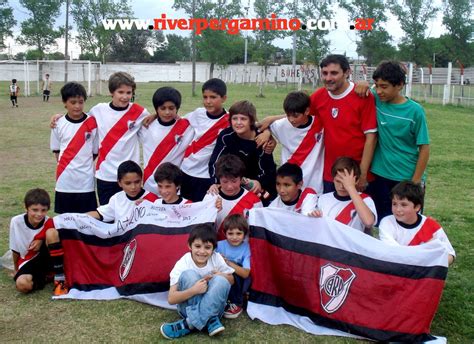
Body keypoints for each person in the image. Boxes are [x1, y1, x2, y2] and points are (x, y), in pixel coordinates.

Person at [52, 72, 150, 205]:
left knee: (131, 215)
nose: (125, 96)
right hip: (105, 175)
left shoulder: (140, 112)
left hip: (130, 176)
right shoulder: (98, 110)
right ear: (111, 92)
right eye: (120, 92)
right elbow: (78, 118)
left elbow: (156, 122)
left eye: (129, 92)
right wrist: (59, 117)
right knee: (107, 216)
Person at [356, 61, 430, 221]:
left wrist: (415, 182)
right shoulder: (374, 99)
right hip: (379, 175)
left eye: (384, 86)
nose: (379, 90)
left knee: (406, 222)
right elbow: (360, 89)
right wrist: (362, 83)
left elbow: (424, 147)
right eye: (376, 85)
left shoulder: (415, 111)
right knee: (380, 220)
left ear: (400, 85)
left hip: (405, 177)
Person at [309, 54, 377, 193]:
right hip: (331, 174)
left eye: (334, 73)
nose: (328, 78)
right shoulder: (318, 96)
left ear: (347, 72)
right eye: (325, 73)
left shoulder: (362, 96)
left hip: (356, 175)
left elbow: (372, 137)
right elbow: (298, 117)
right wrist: (270, 123)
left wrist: (362, 174)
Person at [160, 225, 234, 339]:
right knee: (189, 275)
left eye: (207, 247)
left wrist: (220, 275)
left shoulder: (216, 258)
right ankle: (209, 321)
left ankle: (189, 324)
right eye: (198, 246)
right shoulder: (183, 263)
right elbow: (171, 298)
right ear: (190, 246)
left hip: (215, 309)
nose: (202, 251)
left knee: (221, 280)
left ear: (213, 248)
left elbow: (231, 280)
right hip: (188, 308)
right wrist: (193, 290)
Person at [209, 100, 277, 204]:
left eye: (243, 119)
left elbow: (268, 169)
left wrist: (259, 182)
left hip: (253, 184)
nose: (238, 122)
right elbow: (214, 162)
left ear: (251, 121)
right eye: (235, 118)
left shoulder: (261, 139)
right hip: (231, 181)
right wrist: (214, 182)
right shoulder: (226, 136)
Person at [256, 91, 324, 194]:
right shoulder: (282, 125)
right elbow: (258, 126)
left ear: (306, 111)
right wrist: (267, 133)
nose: (291, 120)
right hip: (289, 186)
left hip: (314, 187)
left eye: (295, 116)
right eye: (288, 115)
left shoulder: (321, 124)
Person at [379, 181, 455, 265]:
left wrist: (432, 265)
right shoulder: (387, 223)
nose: (398, 209)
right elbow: (394, 251)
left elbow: (450, 254)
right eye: (394, 204)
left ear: (417, 207)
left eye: (404, 205)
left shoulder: (431, 226)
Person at [50, 82, 98, 214]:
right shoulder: (58, 123)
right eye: (73, 102)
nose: (77, 106)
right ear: (65, 103)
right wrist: (67, 165)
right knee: (65, 220)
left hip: (85, 181)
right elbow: (57, 151)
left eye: (81, 102)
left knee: (87, 220)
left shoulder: (92, 122)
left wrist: (83, 165)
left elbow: (94, 151)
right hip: (65, 180)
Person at [9, 188, 68, 295]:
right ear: (26, 208)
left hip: (45, 259)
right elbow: (15, 248)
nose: (39, 214)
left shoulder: (49, 221)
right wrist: (16, 269)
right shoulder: (16, 222)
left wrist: (41, 239)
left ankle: (59, 279)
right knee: (22, 285)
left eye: (43, 210)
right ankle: (45, 278)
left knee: (52, 232)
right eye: (35, 210)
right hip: (28, 261)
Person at [179, 78, 230, 202]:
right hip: (186, 169)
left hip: (206, 175)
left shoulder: (230, 120)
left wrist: (266, 132)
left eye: (213, 97)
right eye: (205, 97)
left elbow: (253, 125)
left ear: (223, 98)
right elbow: (177, 120)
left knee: (203, 211)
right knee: (185, 208)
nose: (208, 101)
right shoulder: (198, 113)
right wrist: (155, 115)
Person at [139, 87, 194, 194]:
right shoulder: (146, 126)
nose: (167, 112)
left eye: (171, 108)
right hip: (149, 185)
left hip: (174, 186)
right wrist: (154, 116)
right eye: (162, 108)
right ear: (156, 109)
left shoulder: (187, 127)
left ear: (177, 108)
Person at [206, 154, 262, 240]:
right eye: (225, 181)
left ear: (241, 178)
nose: (229, 186)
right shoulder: (211, 196)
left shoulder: (254, 201)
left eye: (234, 181)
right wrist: (213, 212)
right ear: (218, 179)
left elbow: (257, 233)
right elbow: (203, 229)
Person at [315, 157, 377, 235]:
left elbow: (368, 222)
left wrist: (350, 187)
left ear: (356, 181)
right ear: (333, 179)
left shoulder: (365, 199)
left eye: (346, 182)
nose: (342, 186)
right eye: (338, 181)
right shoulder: (323, 198)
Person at [87, 160, 157, 222]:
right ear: (119, 183)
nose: (133, 187)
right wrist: (77, 218)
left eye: (137, 182)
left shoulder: (152, 199)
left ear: (141, 180)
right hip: (123, 236)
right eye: (128, 183)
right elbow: (99, 214)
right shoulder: (117, 198)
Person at [216, 214, 251, 319]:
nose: (234, 237)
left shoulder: (247, 248)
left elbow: (246, 274)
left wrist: (228, 263)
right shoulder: (218, 245)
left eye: (238, 233)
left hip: (239, 280)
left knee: (233, 269)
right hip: (220, 276)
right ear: (224, 233)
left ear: (245, 234)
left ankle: (236, 303)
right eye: (230, 233)